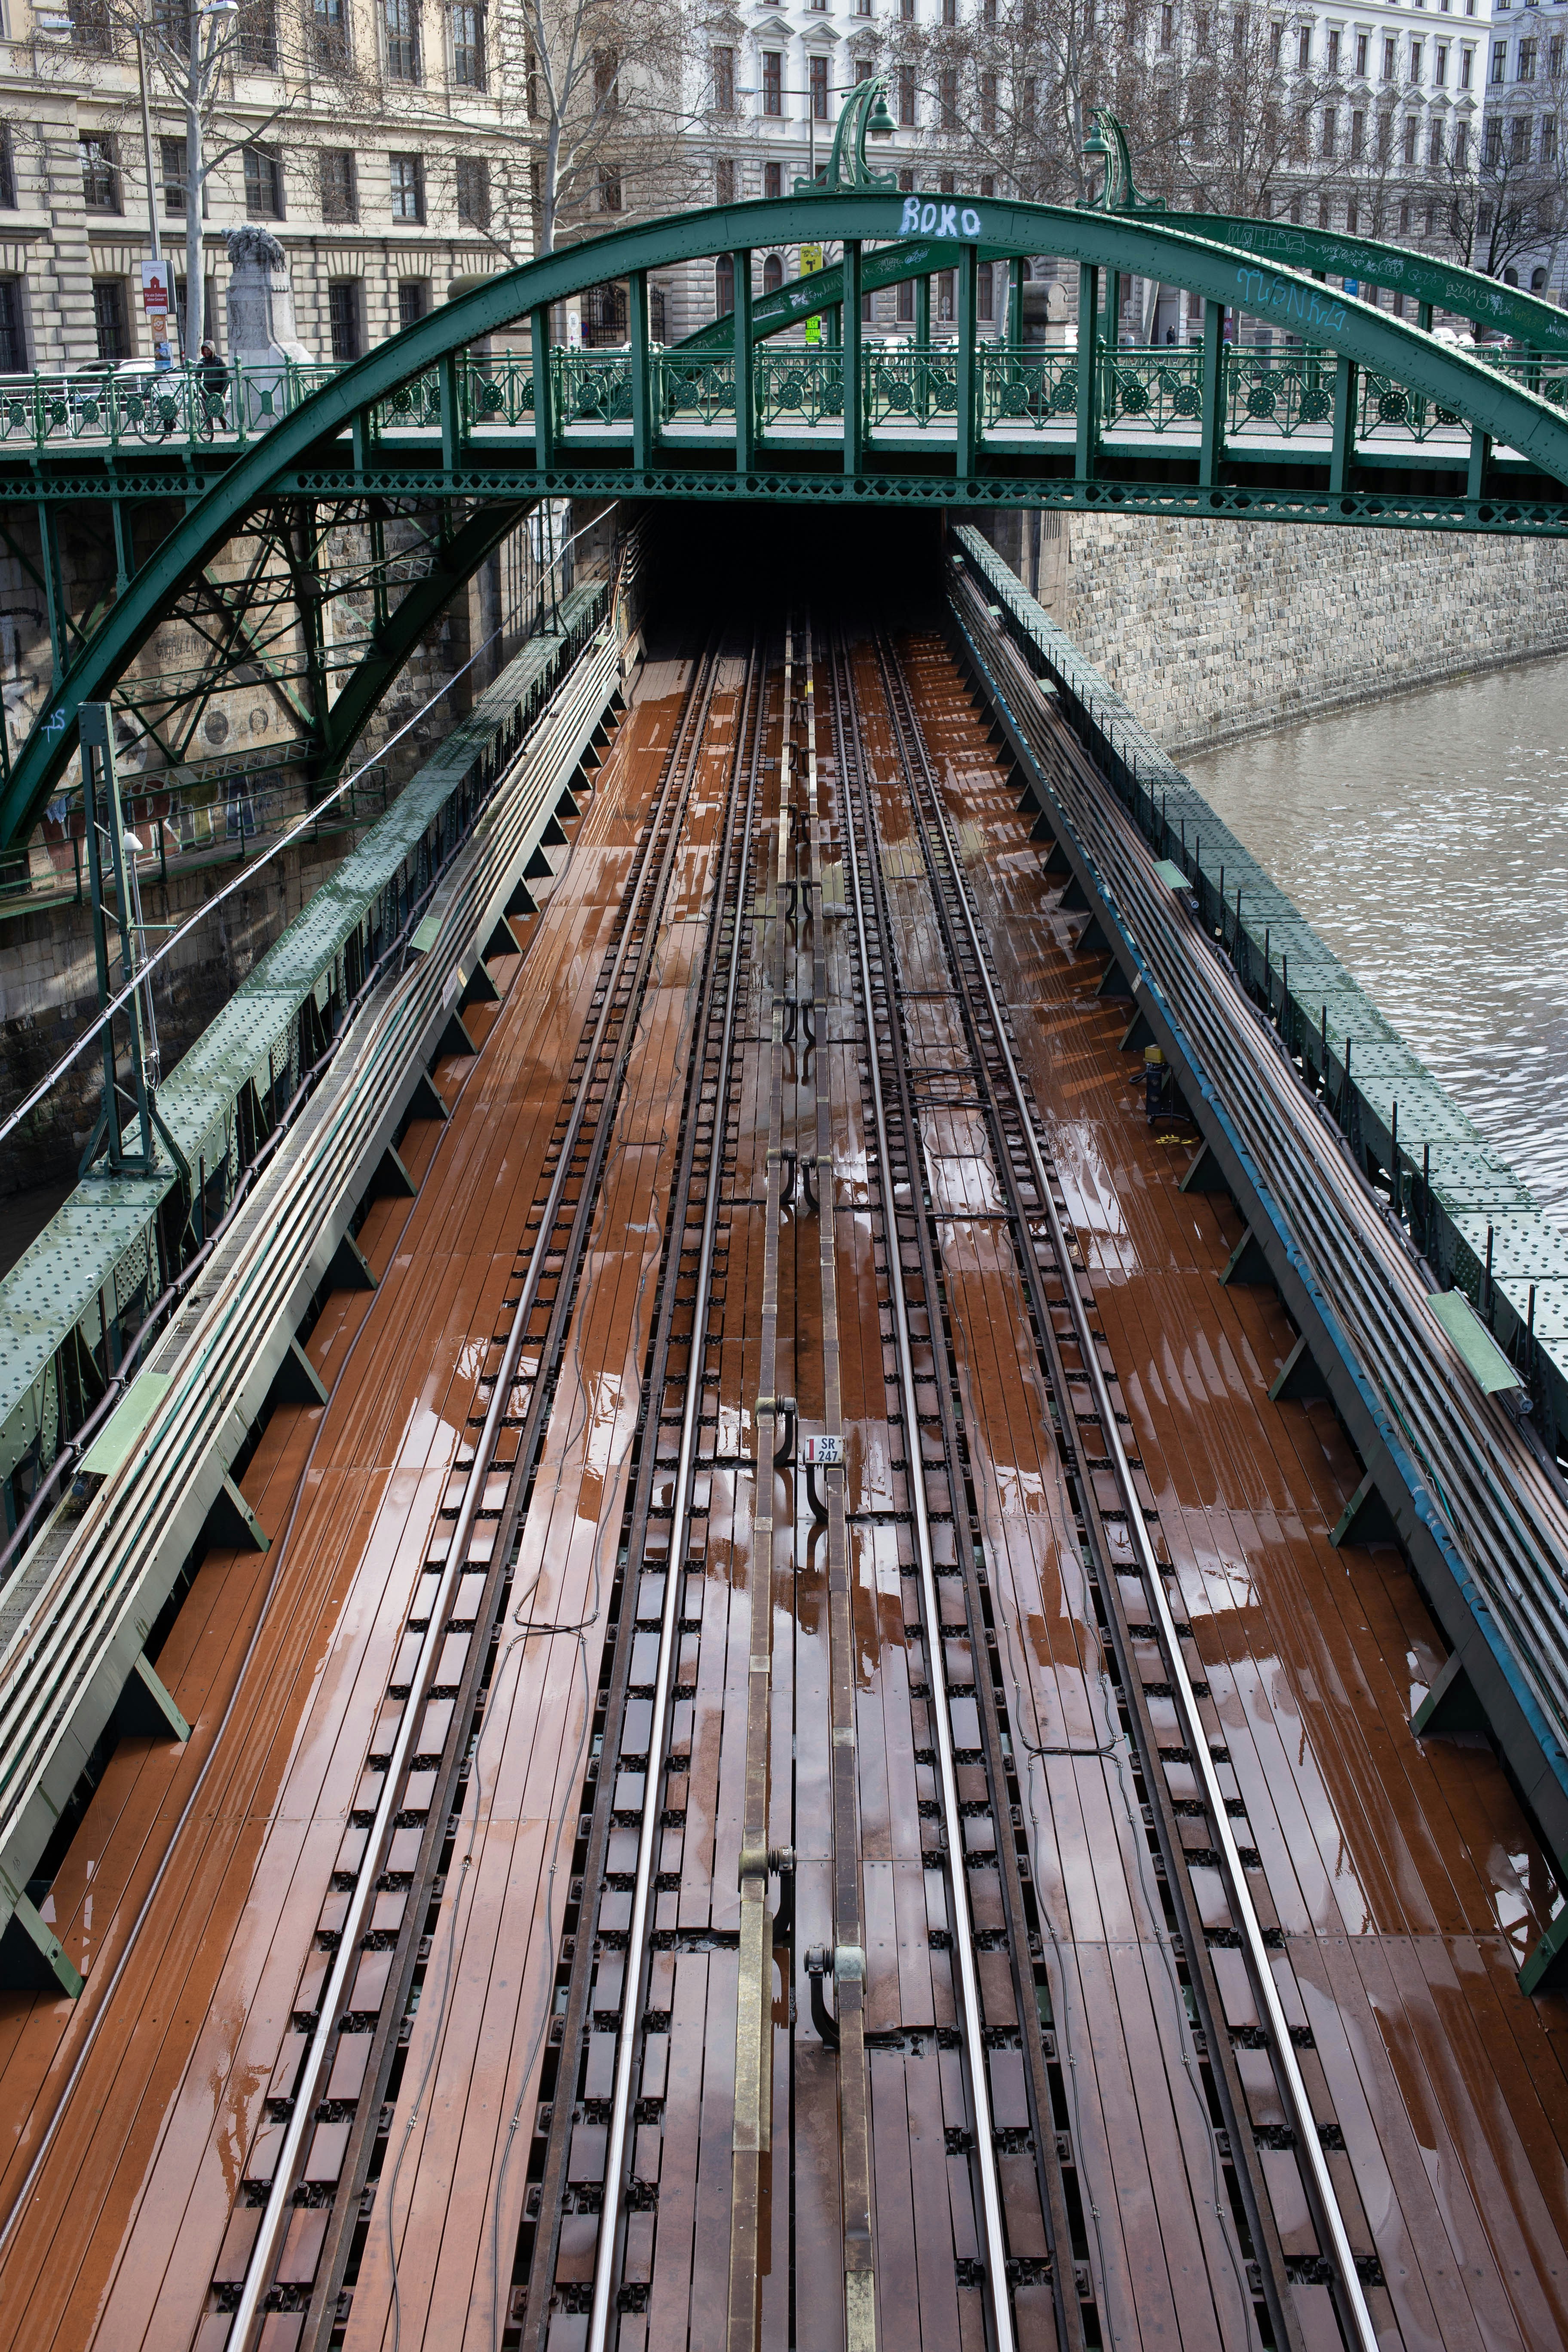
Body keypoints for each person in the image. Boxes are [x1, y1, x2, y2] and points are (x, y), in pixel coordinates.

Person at [197, 339, 229, 435]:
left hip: (218, 390)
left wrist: (224, 391)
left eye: (208, 350)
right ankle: (210, 431)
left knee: (220, 412)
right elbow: (197, 375)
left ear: (212, 350)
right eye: (205, 350)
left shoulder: (219, 360)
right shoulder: (202, 362)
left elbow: (226, 377)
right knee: (208, 412)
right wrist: (200, 389)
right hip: (207, 390)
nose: (207, 352)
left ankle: (226, 430)